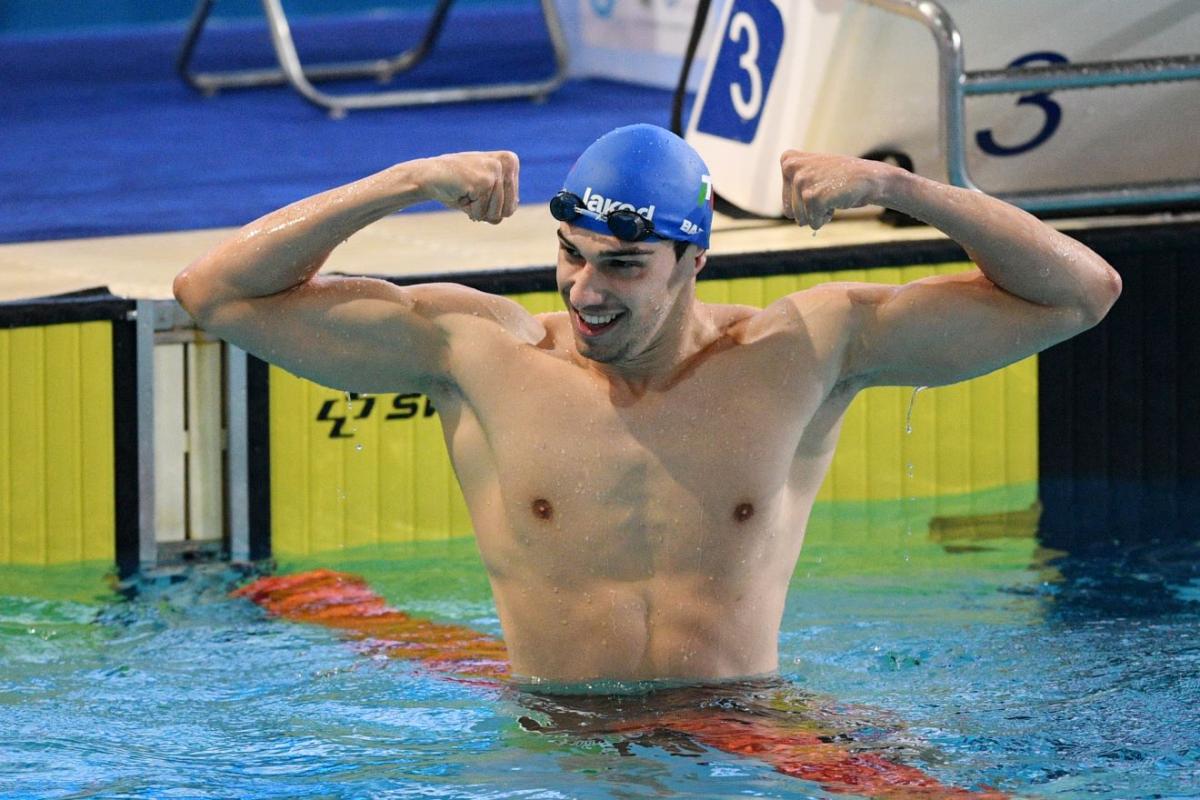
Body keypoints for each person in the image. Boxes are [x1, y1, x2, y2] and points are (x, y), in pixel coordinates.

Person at [174, 124, 1120, 689]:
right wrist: (399, 183)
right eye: (571, 254)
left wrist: (901, 188)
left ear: (692, 263)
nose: (586, 290)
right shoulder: (476, 351)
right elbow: (212, 293)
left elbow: (1082, 293)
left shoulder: (805, 352)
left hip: (744, 733)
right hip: (555, 732)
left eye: (622, 266)